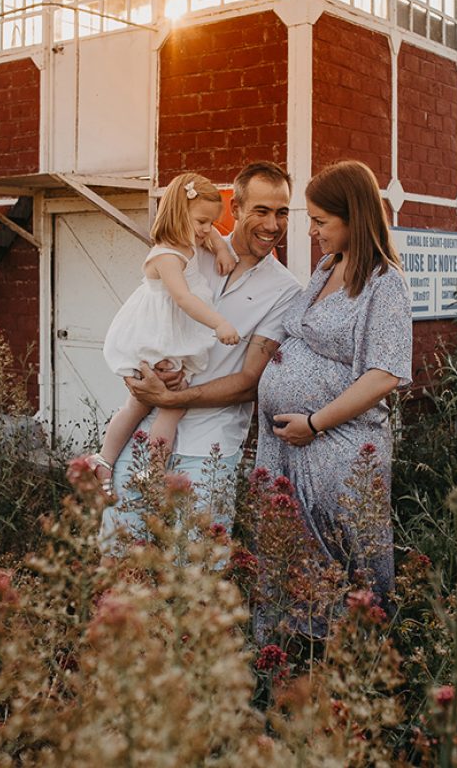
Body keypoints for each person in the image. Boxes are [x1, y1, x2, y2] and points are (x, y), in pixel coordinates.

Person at [99, 161, 302, 538]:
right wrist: (151, 376)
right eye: (261, 210)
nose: (273, 225)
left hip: (210, 449)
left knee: (196, 569)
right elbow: (145, 324)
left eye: (282, 213)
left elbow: (248, 382)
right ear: (236, 208)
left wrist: (174, 397)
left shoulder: (286, 290)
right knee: (120, 549)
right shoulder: (188, 250)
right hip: (146, 434)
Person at [256, 160, 412, 602]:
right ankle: (289, 656)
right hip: (287, 442)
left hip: (335, 445)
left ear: (354, 218)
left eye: (321, 221)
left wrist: (316, 421)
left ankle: (348, 658)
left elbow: (384, 374)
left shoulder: (385, 284)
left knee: (342, 564)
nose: (312, 231)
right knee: (287, 554)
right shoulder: (327, 267)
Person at [87, 173, 241, 492]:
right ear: (177, 213)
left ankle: (118, 463)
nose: (206, 230)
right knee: (159, 404)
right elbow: (183, 299)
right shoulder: (166, 256)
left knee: (153, 405)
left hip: (168, 339)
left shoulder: (191, 240)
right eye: (201, 222)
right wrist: (219, 323)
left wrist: (222, 250)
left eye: (210, 223)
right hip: (156, 341)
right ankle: (132, 465)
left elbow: (211, 236)